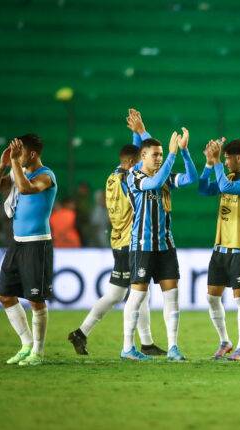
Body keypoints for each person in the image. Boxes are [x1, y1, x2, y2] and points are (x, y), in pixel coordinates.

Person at [68, 108, 168, 356]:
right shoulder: (130, 178)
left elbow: (136, 154)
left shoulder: (114, 175)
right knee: (131, 293)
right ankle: (127, 343)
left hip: (119, 239)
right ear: (134, 162)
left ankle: (143, 342)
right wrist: (142, 132)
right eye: (141, 160)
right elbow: (145, 159)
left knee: (123, 293)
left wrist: (137, 133)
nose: (148, 162)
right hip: (129, 241)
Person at [120, 129, 197, 362]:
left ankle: (173, 347)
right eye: (155, 155)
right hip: (142, 245)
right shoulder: (134, 177)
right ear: (142, 156)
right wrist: (172, 155)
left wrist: (183, 151)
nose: (160, 158)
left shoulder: (164, 177)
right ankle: (127, 348)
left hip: (165, 246)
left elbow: (191, 178)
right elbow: (153, 183)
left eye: (161, 154)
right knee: (137, 296)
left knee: (171, 295)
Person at [0, 135, 57, 366]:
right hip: (17, 243)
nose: (17, 155)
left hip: (38, 244)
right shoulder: (18, 172)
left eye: (21, 152)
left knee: (36, 300)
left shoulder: (46, 176)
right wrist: (3, 164)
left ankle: (38, 351)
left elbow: (26, 190)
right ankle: (26, 344)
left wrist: (15, 164)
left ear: (32, 154)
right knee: (5, 295)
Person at [199, 137, 240, 361]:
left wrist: (216, 162)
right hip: (220, 248)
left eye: (227, 158)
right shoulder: (228, 176)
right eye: (223, 158)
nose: (225, 162)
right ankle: (225, 340)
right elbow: (204, 189)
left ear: (238, 158)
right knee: (212, 298)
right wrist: (209, 163)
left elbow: (225, 187)